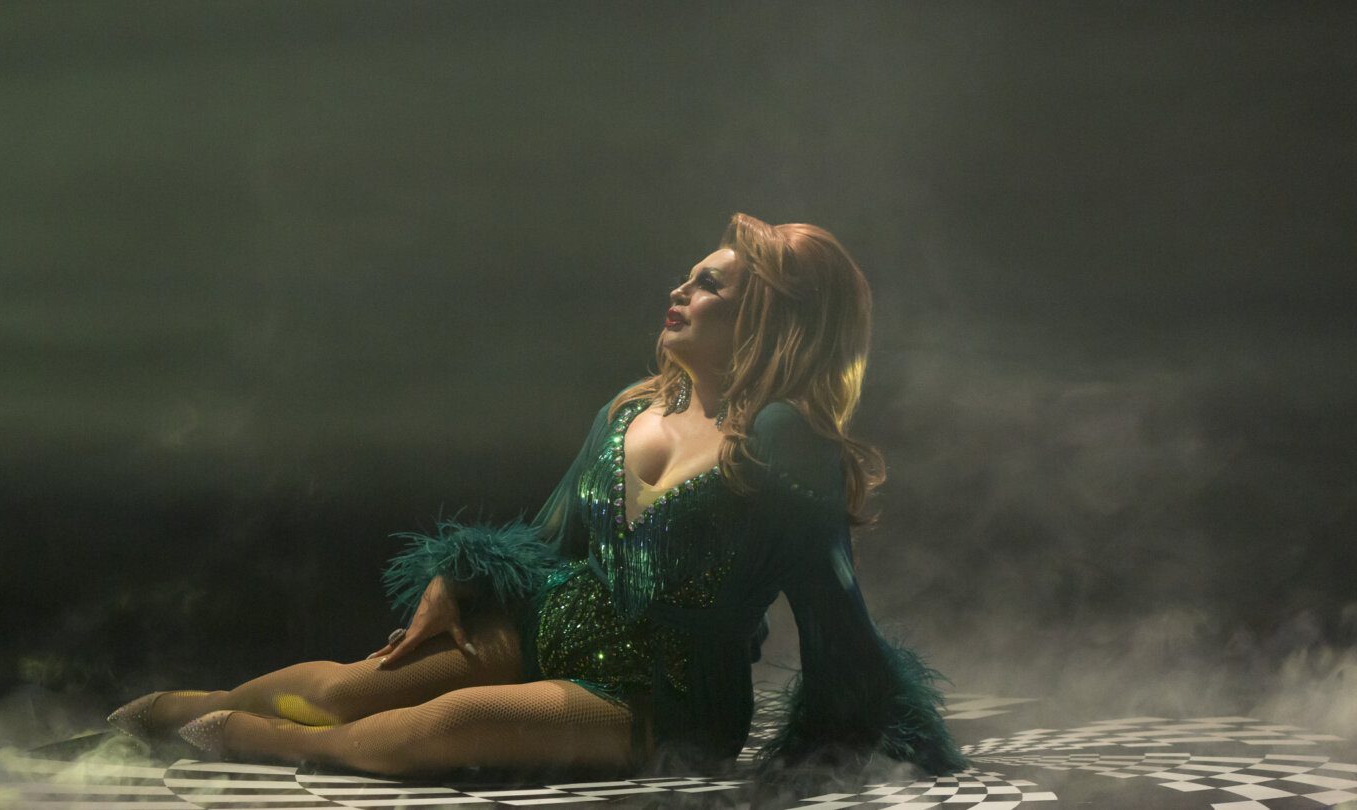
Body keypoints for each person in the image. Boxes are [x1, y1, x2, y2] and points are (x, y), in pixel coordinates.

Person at [107, 212, 967, 780]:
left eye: (711, 285)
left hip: (658, 697)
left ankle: (254, 742)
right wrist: (458, 581)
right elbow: (547, 542)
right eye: (688, 276)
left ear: (772, 321)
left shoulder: (788, 444)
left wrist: (874, 741)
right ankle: (160, 715)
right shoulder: (629, 410)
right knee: (345, 688)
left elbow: (835, 615)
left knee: (446, 726)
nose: (680, 291)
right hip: (547, 627)